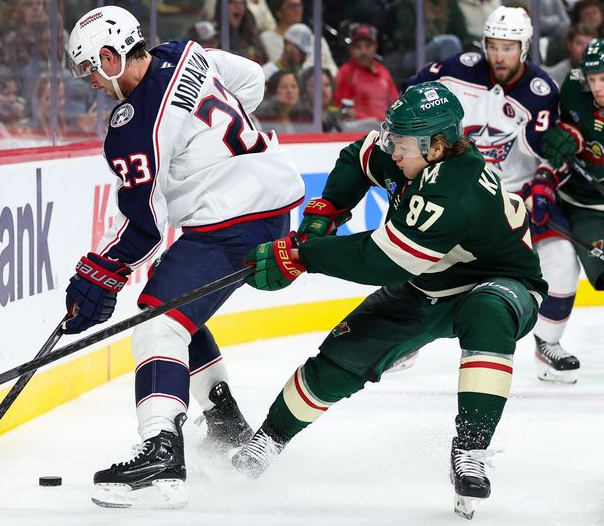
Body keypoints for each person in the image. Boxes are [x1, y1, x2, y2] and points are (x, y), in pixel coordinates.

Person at [231, 81, 547, 521]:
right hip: (427, 282)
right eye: (393, 138)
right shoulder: (412, 152)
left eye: (402, 144)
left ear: (437, 145)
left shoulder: (453, 190)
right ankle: (269, 439)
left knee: (487, 311)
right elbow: (358, 155)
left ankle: (471, 448)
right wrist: (328, 210)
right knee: (339, 359)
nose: (393, 152)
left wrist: (304, 255)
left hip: (499, 282)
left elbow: (383, 261)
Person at [67, 5, 304, 509]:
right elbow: (253, 81)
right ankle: (224, 426)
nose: (88, 79)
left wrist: (100, 272)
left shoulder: (133, 122)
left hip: (231, 221)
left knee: (158, 324)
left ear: (111, 57)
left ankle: (161, 449)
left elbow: (146, 225)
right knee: (170, 306)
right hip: (268, 202)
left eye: (90, 67)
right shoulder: (185, 53)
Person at [403, 6, 576, 384]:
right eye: (493, 46)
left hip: (516, 198)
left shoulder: (541, 91)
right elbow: (409, 99)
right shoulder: (456, 69)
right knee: (417, 257)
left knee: (562, 258)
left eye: (509, 48)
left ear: (525, 48)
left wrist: (545, 184)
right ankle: (405, 338)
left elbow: (552, 154)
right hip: (460, 194)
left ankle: (547, 344)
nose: (499, 55)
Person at [533, 38, 604, 380]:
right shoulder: (574, 87)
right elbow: (560, 135)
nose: (599, 87)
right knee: (563, 265)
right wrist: (570, 136)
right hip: (584, 204)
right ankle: (547, 342)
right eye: (595, 79)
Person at [333, 24, 399, 124]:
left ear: (375, 47)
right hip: (356, 132)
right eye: (358, 47)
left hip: (384, 131)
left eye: (367, 46)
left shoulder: (384, 72)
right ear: (351, 49)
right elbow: (339, 111)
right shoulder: (345, 72)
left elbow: (396, 106)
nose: (363, 51)